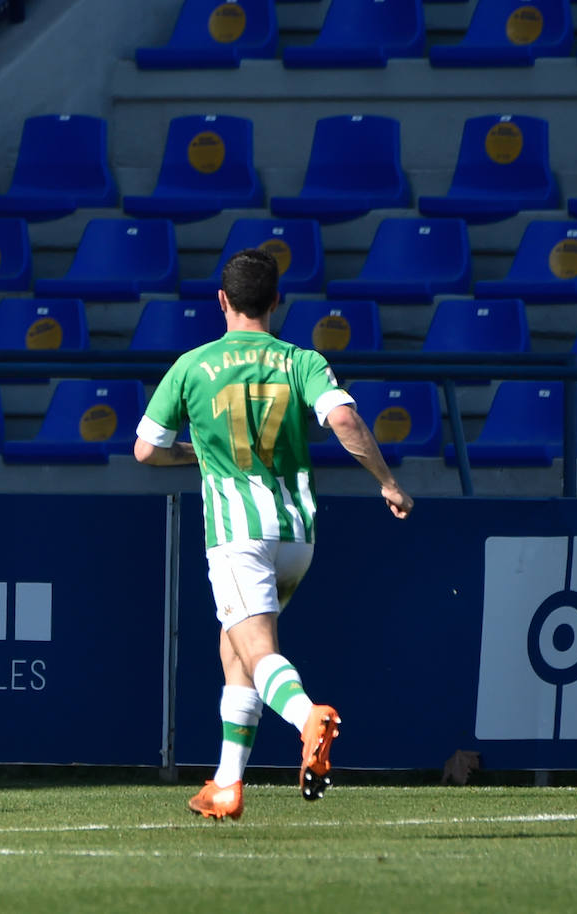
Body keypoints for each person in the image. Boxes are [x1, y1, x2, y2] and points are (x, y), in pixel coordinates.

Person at [133, 248, 413, 821]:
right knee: (235, 645)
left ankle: (309, 717)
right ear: (276, 301)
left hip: (239, 534)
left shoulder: (192, 366)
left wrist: (197, 454)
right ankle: (226, 783)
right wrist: (387, 482)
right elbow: (344, 419)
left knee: (258, 649)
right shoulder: (301, 361)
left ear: (222, 300)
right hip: (296, 535)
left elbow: (145, 449)